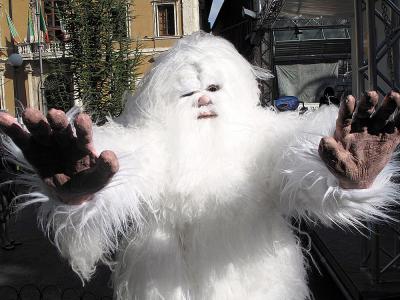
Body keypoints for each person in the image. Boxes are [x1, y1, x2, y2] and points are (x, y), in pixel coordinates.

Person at [1, 32, 400, 299]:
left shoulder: (262, 135)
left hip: (260, 286)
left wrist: (345, 177)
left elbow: (302, 159)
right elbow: (121, 169)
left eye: (213, 89)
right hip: (164, 286)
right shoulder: (151, 141)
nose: (204, 100)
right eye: (188, 93)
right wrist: (84, 193)